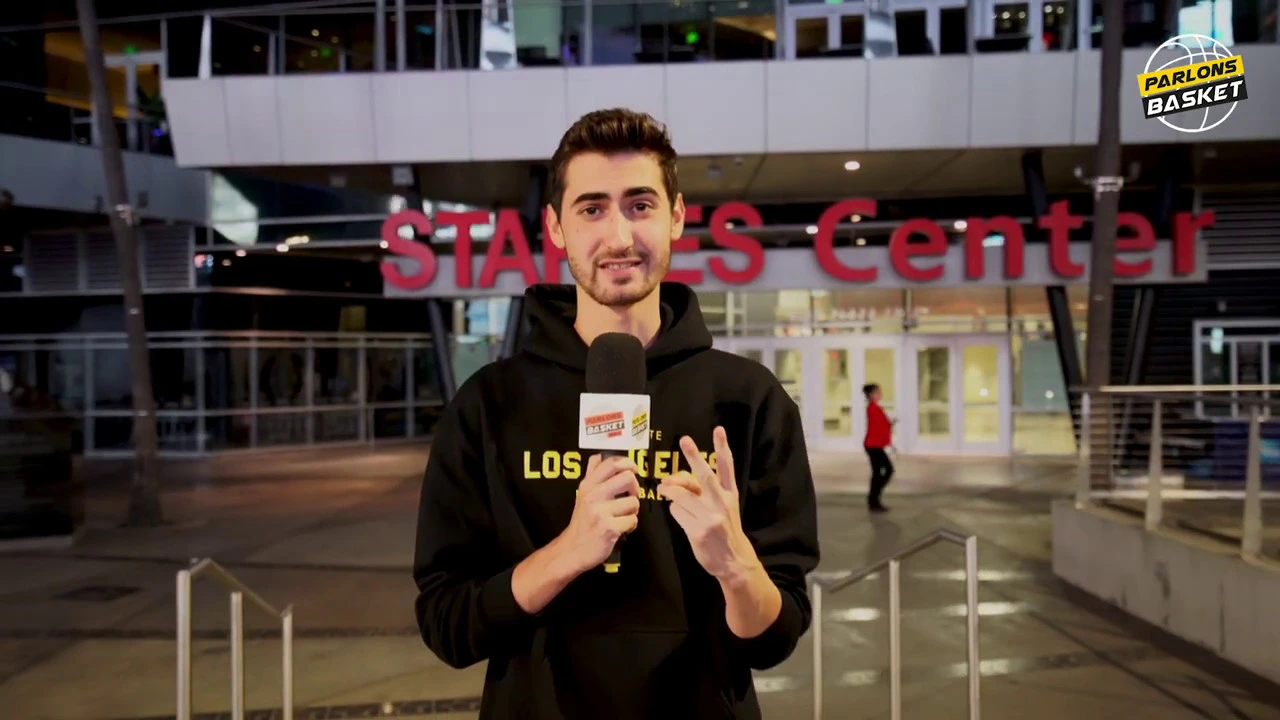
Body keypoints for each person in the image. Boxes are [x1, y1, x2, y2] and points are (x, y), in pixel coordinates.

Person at [412, 108, 820, 720]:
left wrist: (734, 565)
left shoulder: (749, 399)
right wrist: (568, 552)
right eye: (592, 209)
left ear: (676, 216)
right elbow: (447, 624)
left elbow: (776, 638)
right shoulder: (489, 405)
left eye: (640, 205)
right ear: (556, 227)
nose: (620, 237)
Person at [862, 383, 894, 512]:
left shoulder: (875, 408)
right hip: (873, 445)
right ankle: (874, 499)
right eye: (877, 392)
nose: (880, 394)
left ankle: (874, 499)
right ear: (870, 395)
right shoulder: (873, 409)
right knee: (885, 471)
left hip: (875, 445)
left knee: (880, 472)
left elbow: (882, 425)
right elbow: (879, 427)